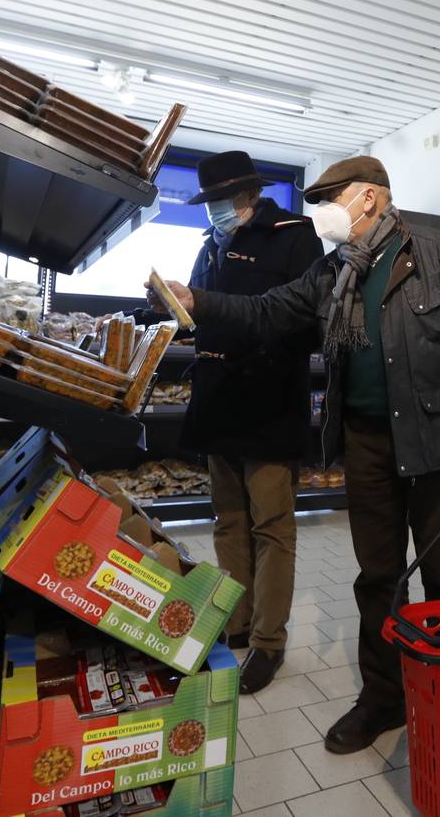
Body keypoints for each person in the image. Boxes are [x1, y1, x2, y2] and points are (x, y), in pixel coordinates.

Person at [147, 155, 440, 753]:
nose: (322, 214)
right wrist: (197, 301)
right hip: (365, 439)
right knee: (379, 578)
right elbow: (267, 311)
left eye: (331, 200)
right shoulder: (333, 270)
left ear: (369, 198)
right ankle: (384, 698)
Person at [178, 150, 323, 694]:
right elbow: (199, 310)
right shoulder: (208, 246)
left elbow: (305, 319)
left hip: (267, 398)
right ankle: (235, 623)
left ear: (247, 196)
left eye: (219, 200)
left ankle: (268, 642)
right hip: (217, 398)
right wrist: (168, 309)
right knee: (228, 520)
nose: (212, 211)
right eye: (208, 201)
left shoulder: (293, 235)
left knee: (271, 526)